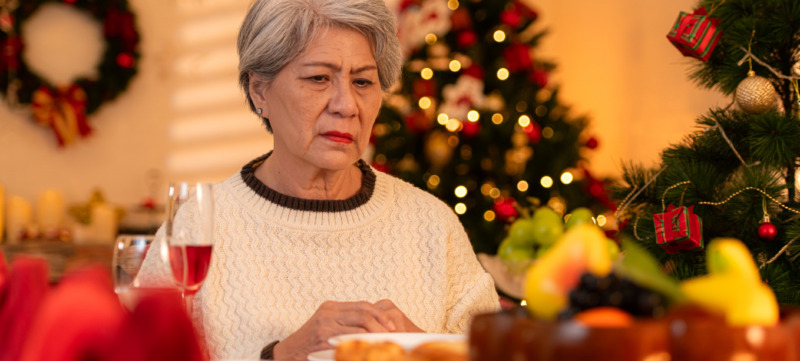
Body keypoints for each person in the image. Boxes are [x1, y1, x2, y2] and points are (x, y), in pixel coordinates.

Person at [137, 0, 500, 359]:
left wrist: (423, 351)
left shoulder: (431, 225)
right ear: (259, 90)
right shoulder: (196, 230)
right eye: (318, 78)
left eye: (362, 82)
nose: (346, 104)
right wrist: (280, 357)